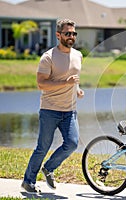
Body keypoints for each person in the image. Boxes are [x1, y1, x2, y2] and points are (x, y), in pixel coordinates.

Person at [21, 19, 84, 194]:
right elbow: (41, 84)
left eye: (73, 33)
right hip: (50, 110)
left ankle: (49, 168)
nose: (71, 36)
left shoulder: (78, 55)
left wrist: (77, 89)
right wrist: (66, 83)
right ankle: (28, 181)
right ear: (58, 35)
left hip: (70, 110)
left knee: (71, 143)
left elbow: (74, 79)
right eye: (67, 33)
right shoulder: (48, 57)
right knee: (43, 147)